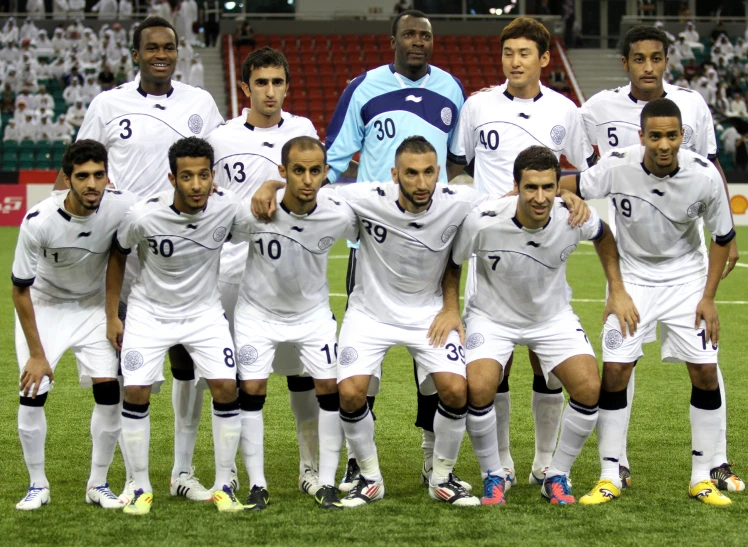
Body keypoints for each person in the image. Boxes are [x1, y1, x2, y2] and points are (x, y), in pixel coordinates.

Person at [55, 15, 225, 505]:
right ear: (134, 54)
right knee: (121, 372)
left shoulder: (201, 102)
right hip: (123, 253)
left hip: (185, 255)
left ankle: (183, 472)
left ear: (178, 52)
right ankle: (114, 479)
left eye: (168, 47)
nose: (160, 54)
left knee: (187, 363)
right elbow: (76, 165)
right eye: (150, 47)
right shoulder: (108, 104)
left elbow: (218, 163)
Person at [579, 25, 743, 492]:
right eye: (656, 136)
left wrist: (709, 296)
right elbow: (576, 184)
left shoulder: (702, 167)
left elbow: (720, 227)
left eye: (673, 136)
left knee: (705, 369)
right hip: (632, 275)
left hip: (687, 275)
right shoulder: (614, 154)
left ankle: (704, 473)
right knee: (615, 368)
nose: (665, 144)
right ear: (642, 135)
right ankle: (611, 473)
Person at [446, 16, 596, 490]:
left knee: (546, 364)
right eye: (508, 52)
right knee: (496, 364)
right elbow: (458, 168)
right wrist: (478, 210)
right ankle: (503, 463)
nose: (514, 61)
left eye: (524, 53)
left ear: (544, 59)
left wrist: (568, 195)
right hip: (491, 245)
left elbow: (583, 173)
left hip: (543, 234)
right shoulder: (478, 106)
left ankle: (545, 462)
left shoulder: (565, 110)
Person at [324, 9, 467, 489]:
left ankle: (432, 453)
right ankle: (357, 457)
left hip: (433, 236)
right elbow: (334, 156)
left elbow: (458, 161)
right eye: (408, 34)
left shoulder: (451, 89)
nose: (417, 42)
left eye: (425, 35)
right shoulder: (362, 87)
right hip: (374, 240)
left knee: (434, 361)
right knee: (364, 353)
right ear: (393, 41)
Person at [453, 145, 635, 505]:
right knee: (479, 388)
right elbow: (453, 261)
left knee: (588, 389)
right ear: (516, 186)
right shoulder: (484, 218)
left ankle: (557, 473)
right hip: (492, 318)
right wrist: (448, 308)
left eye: (548, 188)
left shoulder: (572, 215)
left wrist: (616, 288)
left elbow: (604, 236)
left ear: (558, 186)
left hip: (552, 318)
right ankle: (494, 474)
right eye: (531, 188)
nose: (540, 197)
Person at [206, 46, 324, 502]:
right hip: (233, 272)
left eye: (278, 82)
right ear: (244, 88)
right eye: (261, 82)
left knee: (301, 376)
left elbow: (312, 186)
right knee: (235, 380)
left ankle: (309, 468)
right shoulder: (222, 138)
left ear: (287, 87)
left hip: (291, 271)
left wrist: (272, 184)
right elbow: (209, 198)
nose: (270, 91)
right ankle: (232, 473)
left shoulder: (302, 130)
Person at [107, 137, 246, 515]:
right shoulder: (143, 215)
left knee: (225, 387)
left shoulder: (226, 207)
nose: (197, 184)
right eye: (188, 176)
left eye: (204, 175)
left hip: (203, 313)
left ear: (213, 175)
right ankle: (139, 486)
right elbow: (117, 255)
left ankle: (223, 486)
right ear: (173, 178)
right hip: (149, 314)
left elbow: (263, 216)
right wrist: (110, 315)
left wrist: (270, 185)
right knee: (135, 390)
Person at [232, 137, 358, 511]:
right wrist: (265, 188)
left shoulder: (339, 213)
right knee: (252, 388)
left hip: (312, 316)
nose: (307, 179)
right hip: (257, 314)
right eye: (298, 171)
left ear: (325, 173)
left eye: (315, 171)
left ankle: (326, 482)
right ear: (283, 172)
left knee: (328, 388)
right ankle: (257, 484)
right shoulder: (254, 212)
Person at [11, 140, 136, 511]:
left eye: (99, 175)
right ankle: (37, 485)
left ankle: (98, 483)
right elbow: (20, 291)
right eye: (82, 176)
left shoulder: (121, 207)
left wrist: (113, 315)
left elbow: (118, 256)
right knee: (34, 390)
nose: (92, 184)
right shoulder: (39, 221)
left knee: (109, 392)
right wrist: (36, 353)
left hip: (93, 306)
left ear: (107, 176)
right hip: (45, 305)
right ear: (67, 179)